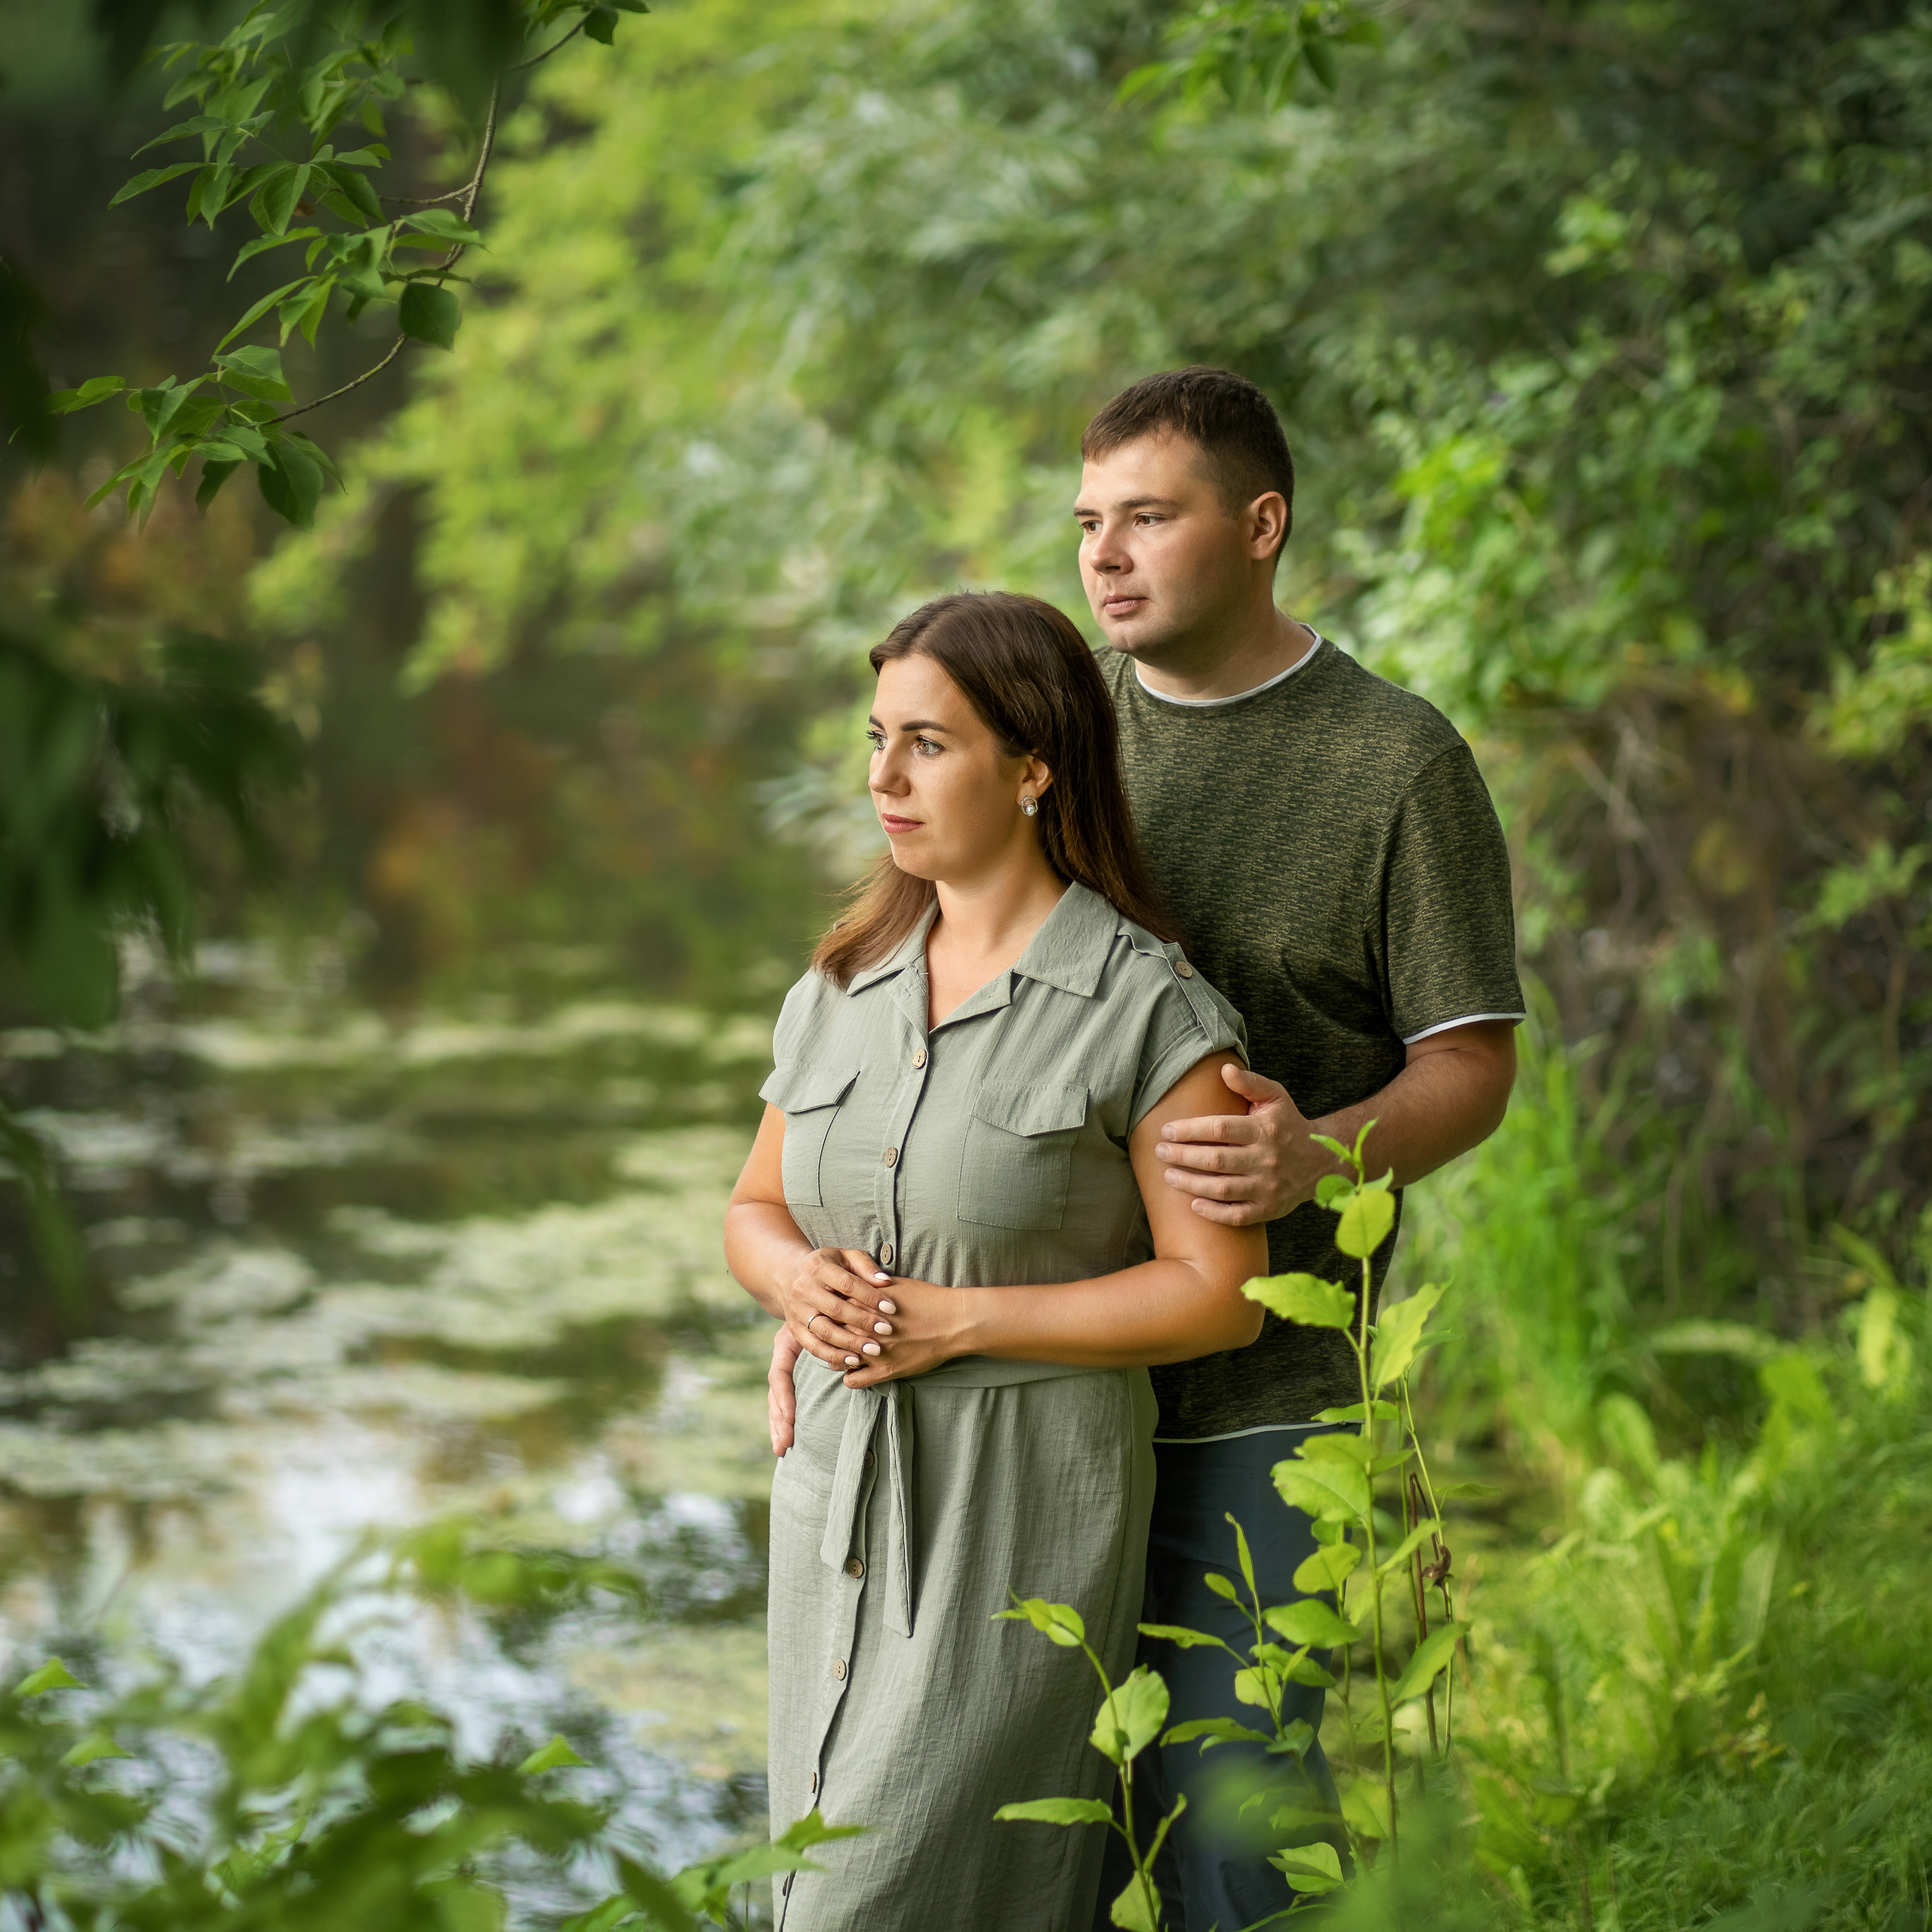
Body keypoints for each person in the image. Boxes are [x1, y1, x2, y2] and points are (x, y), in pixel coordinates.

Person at [768, 368, 1524, 1930]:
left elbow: (1469, 1062)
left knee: (1227, 1812)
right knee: (1008, 1835)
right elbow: (895, 1035)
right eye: (1087, 522)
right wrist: (814, 1286)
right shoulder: (1035, 715)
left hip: (1250, 1385)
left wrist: (1317, 1155)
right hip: (1011, 1420)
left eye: (1148, 518)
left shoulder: (1391, 763)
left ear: (1260, 526)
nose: (1104, 555)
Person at [724, 590, 1271, 1932]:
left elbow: (1221, 1294)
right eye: (876, 738)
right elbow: (750, 1210)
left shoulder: (1149, 1007)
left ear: (1034, 769)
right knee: (805, 1888)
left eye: (929, 743)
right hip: (831, 1505)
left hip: (1022, 1521)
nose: (883, 777)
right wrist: (795, 1282)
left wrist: (958, 1322)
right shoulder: (838, 983)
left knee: (887, 1902)